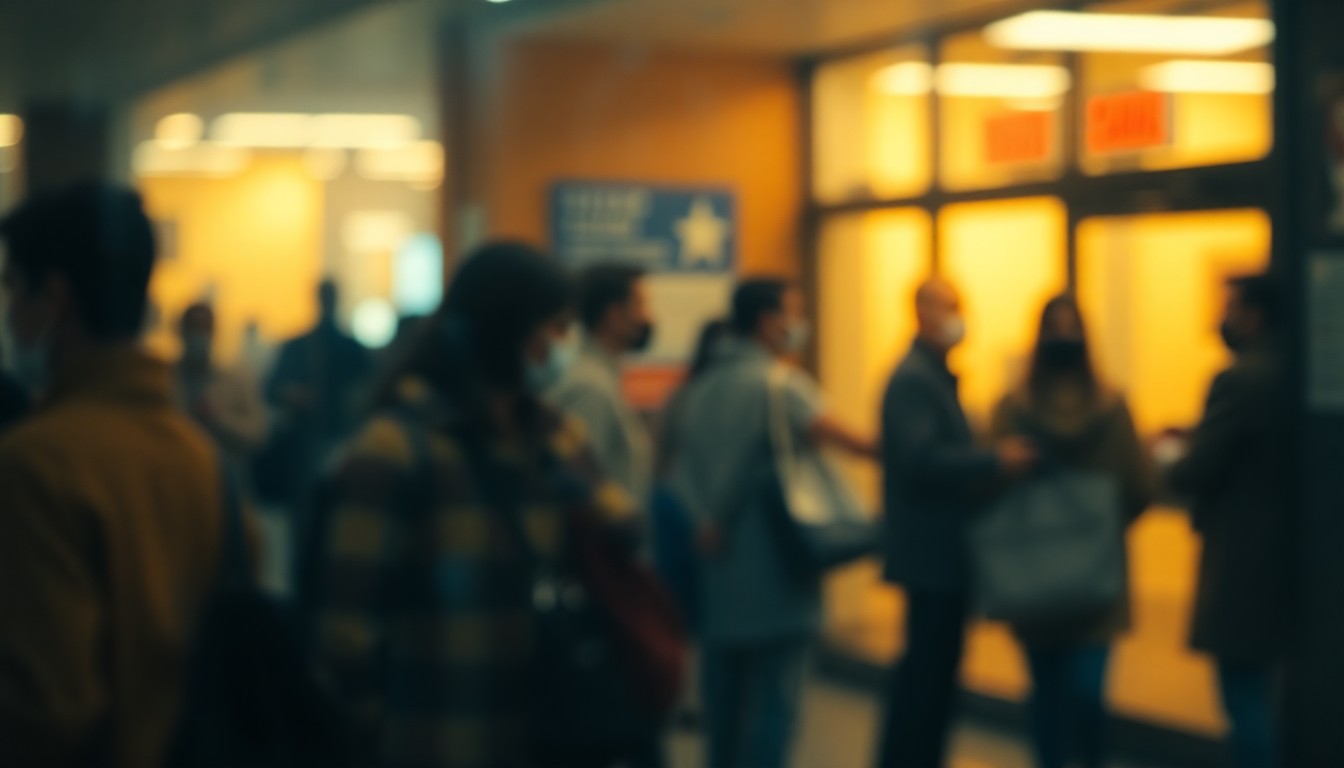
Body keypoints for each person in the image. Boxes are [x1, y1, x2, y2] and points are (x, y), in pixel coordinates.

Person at [310, 242, 653, 768]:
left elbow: (625, 532)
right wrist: (372, 730)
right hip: (438, 739)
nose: (562, 347)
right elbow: (346, 630)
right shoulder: (397, 448)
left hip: (546, 735)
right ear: (507, 329)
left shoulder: (551, 436)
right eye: (555, 328)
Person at [0, 183, 224, 768]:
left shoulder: (37, 463)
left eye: (12, 288)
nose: (8, 312)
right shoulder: (200, 458)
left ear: (54, 297)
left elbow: (50, 708)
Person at [670, 279, 874, 768]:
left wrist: (707, 521)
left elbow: (675, 470)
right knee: (774, 706)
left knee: (726, 710)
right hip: (778, 571)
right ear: (768, 322)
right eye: (794, 313)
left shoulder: (696, 388)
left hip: (717, 572)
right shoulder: (780, 385)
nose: (798, 325)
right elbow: (856, 442)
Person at [876, 277, 1036, 768]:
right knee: (926, 675)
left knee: (934, 673)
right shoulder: (913, 380)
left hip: (943, 552)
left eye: (959, 306)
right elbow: (920, 460)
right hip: (931, 553)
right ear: (921, 311)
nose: (957, 316)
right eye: (947, 307)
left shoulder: (935, 376)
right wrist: (991, 461)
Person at [990, 295, 1155, 768]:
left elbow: (986, 481)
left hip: (1033, 573)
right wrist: (1098, 527)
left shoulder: (1013, 409)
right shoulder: (1113, 406)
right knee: (1086, 698)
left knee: (1047, 699)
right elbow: (1140, 486)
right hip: (1097, 578)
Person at [1167, 274, 1292, 768]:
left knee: (1242, 695)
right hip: (1282, 553)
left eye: (1232, 308)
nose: (1224, 318)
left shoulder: (1237, 378)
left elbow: (1200, 469)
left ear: (1254, 315)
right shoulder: (1290, 369)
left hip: (1242, 557)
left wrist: (1173, 457)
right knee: (1265, 690)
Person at [550, 264, 655, 509]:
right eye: (641, 305)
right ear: (614, 315)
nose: (649, 317)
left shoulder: (602, 378)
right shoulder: (590, 387)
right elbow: (583, 486)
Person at [262, 279, 371, 504]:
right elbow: (272, 387)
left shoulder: (349, 347)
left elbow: (366, 389)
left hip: (341, 438)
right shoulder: (299, 346)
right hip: (303, 442)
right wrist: (291, 394)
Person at [176, 301, 268, 464]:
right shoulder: (164, 380)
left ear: (213, 333)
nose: (198, 335)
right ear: (181, 331)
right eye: (193, 327)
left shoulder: (235, 381)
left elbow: (257, 434)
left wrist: (218, 419)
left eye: (205, 328)